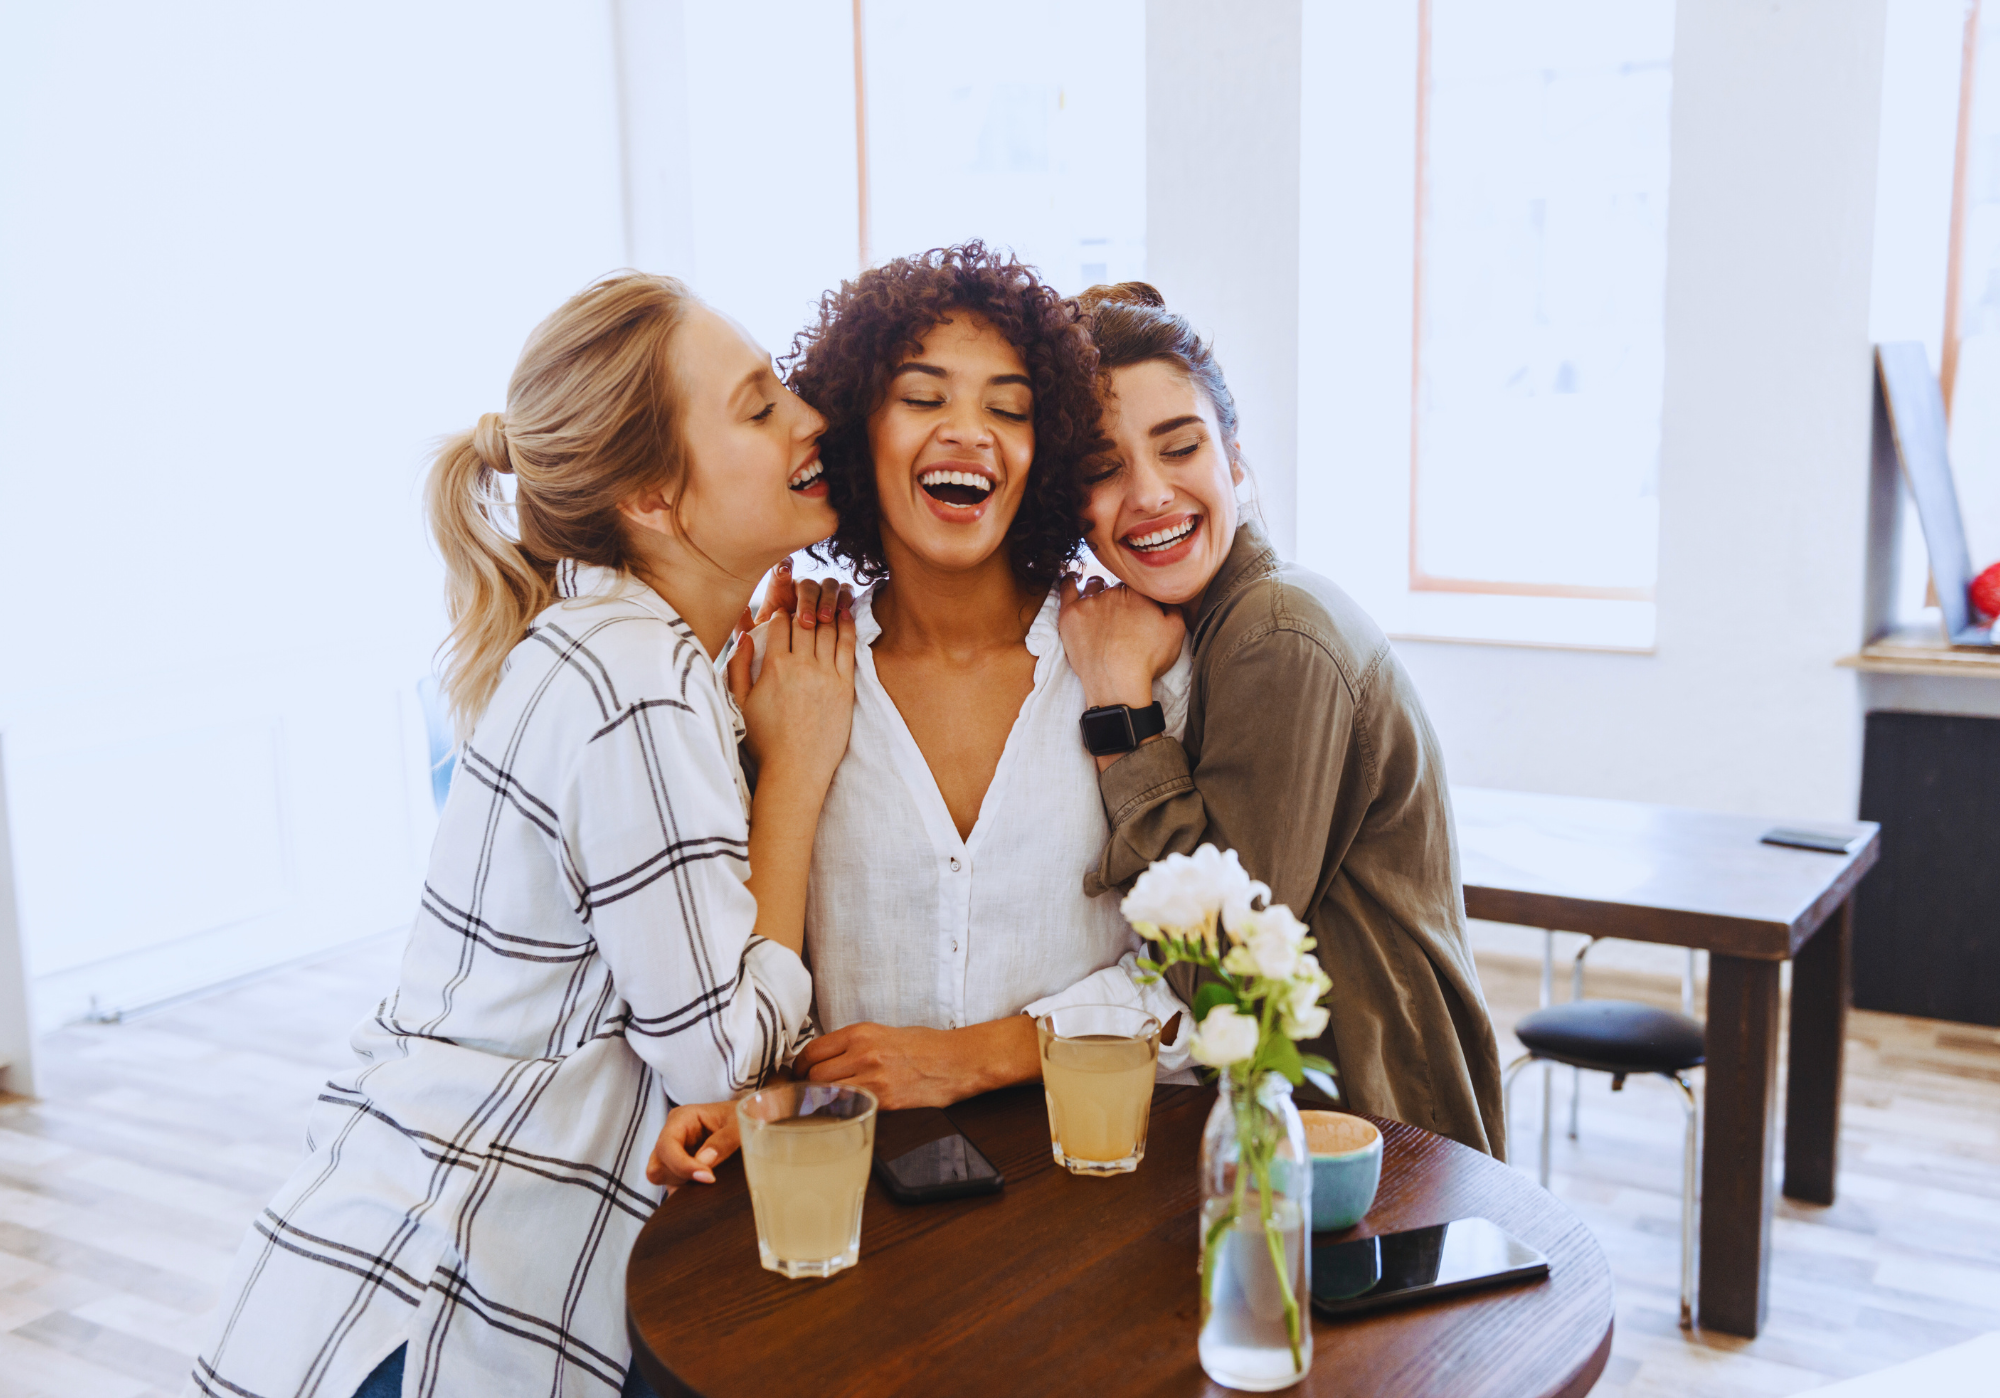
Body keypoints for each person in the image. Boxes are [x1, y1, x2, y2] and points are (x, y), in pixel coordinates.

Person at [190, 274, 856, 1398]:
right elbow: (710, 1054)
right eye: (758, 407)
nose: (808, 418)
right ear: (651, 493)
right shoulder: (634, 674)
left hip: (375, 1277)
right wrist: (792, 778)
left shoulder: (607, 649)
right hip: (432, 1315)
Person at [1056, 282, 1505, 1156]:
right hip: (1328, 1130)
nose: (1147, 493)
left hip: (1372, 1142)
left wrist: (1118, 704)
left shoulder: (1276, 633)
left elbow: (1225, 973)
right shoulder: (1216, 624)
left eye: (1179, 447)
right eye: (1102, 469)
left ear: (1234, 457)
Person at [754, 243, 1194, 1110]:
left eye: (1011, 408)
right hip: (864, 1199)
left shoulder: (1126, 662)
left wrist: (974, 1058)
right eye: (922, 398)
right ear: (854, 430)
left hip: (1100, 1184)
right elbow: (743, 996)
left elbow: (1200, 982)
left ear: (1047, 449)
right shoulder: (793, 672)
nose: (968, 430)